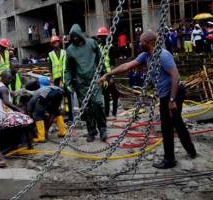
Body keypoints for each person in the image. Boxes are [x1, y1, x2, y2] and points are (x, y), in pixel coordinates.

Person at [98, 30, 197, 169]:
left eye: (141, 41)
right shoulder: (146, 56)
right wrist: (108, 74)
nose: (139, 43)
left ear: (149, 42)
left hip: (173, 93)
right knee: (177, 122)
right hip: (165, 94)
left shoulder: (163, 55)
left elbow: (176, 76)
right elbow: (126, 66)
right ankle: (191, 151)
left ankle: (170, 160)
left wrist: (172, 100)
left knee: (167, 126)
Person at [65, 24, 107, 142]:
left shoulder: (91, 43)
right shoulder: (70, 50)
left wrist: (105, 73)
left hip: (94, 79)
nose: (75, 39)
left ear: (80, 34)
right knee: (86, 108)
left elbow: (100, 59)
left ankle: (103, 129)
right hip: (80, 83)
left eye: (77, 36)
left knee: (97, 103)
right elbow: (67, 68)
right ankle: (91, 131)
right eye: (73, 37)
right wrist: (67, 81)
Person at [0, 70, 34, 152]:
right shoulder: (4, 88)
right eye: (9, 79)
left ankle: (19, 142)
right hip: (5, 117)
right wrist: (19, 109)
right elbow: (6, 102)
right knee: (28, 119)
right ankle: (28, 144)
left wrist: (17, 93)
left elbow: (7, 94)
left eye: (11, 79)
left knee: (21, 117)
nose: (10, 80)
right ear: (3, 78)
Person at [48, 36, 74, 121]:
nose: (56, 43)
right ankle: (59, 116)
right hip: (56, 79)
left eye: (57, 42)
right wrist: (51, 76)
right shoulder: (50, 54)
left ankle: (70, 116)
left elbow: (67, 64)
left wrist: (66, 77)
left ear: (59, 42)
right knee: (57, 98)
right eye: (54, 42)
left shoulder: (64, 52)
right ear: (52, 44)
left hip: (65, 77)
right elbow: (50, 66)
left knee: (68, 95)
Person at [96, 27, 119, 118]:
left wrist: (111, 76)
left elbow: (113, 63)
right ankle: (107, 114)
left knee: (115, 95)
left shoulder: (110, 47)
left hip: (109, 74)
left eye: (101, 37)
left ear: (105, 37)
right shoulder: (99, 47)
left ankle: (113, 113)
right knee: (106, 94)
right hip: (102, 74)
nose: (99, 39)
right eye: (99, 37)